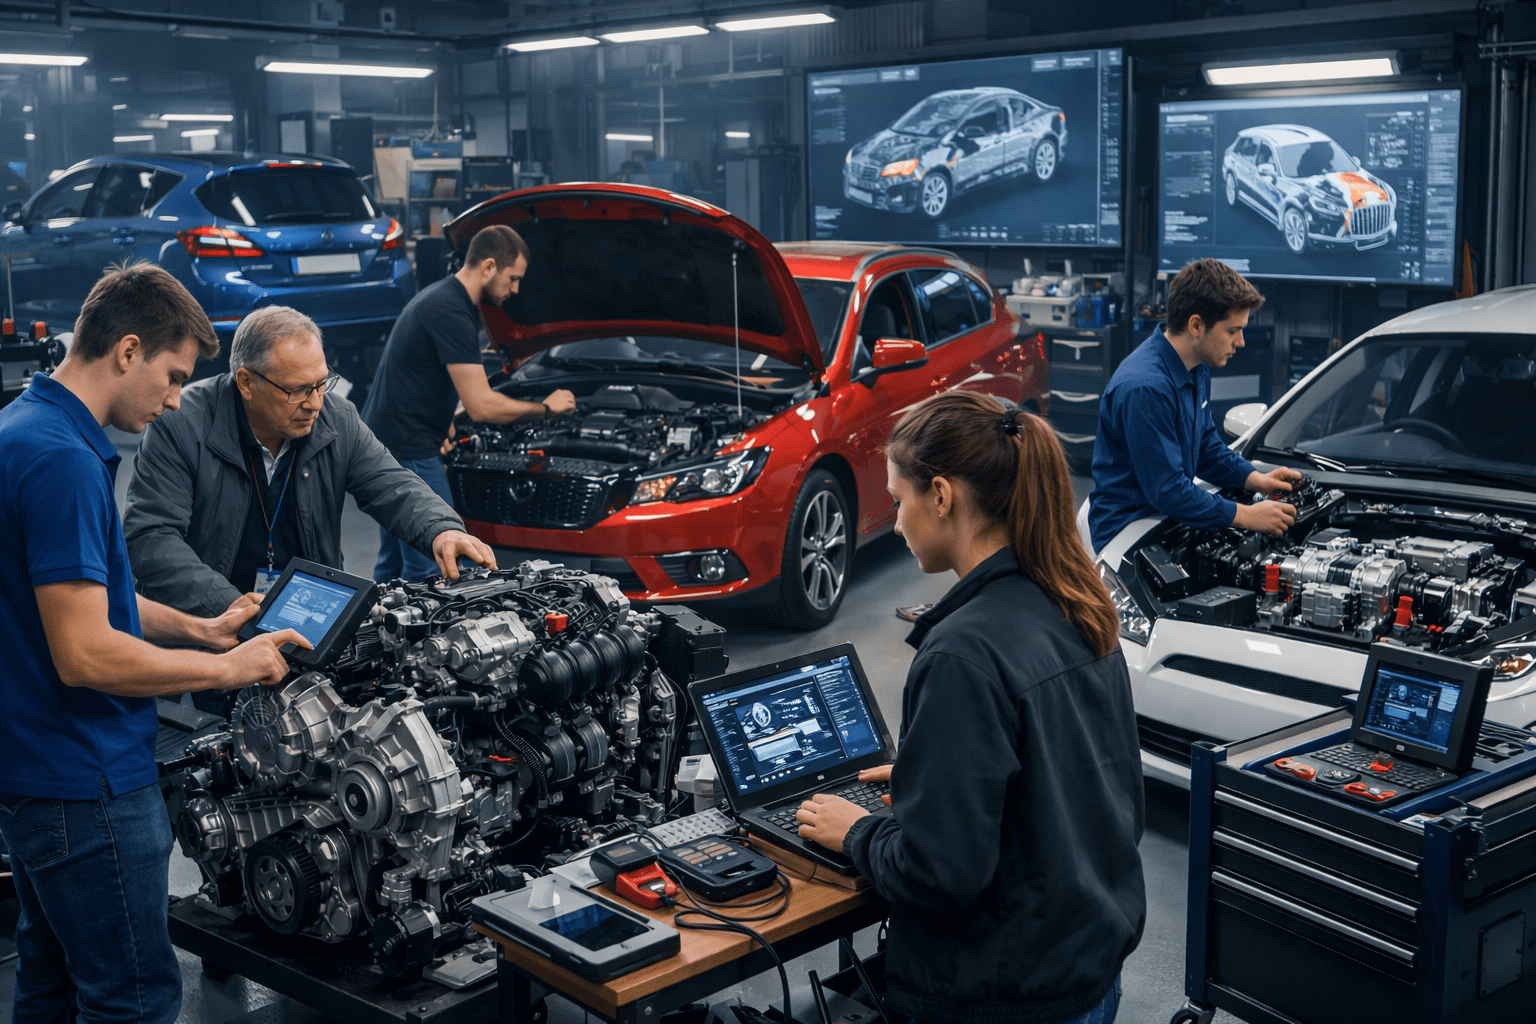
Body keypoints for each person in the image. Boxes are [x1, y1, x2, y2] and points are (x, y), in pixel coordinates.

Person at [0, 262, 309, 1024]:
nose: (175, 401)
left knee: (49, 984)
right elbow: (85, 653)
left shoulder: (21, 427)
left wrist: (201, 626)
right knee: (132, 1001)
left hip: (31, 774)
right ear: (128, 350)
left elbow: (85, 592)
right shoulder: (63, 462)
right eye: (172, 377)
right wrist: (226, 665)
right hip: (90, 784)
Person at [796, 392, 1146, 1024]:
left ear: (941, 495)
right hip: (1087, 972)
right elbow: (1085, 785)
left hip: (1006, 997)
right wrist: (933, 781)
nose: (895, 524)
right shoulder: (1079, 606)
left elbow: (940, 873)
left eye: (898, 500)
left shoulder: (963, 653)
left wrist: (858, 830)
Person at [124, 305, 493, 710]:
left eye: (321, 384)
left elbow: (392, 483)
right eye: (297, 390)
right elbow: (151, 538)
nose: (315, 403)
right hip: (210, 629)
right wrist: (232, 609)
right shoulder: (181, 424)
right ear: (246, 383)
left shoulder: (337, 418)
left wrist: (442, 528)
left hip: (309, 622)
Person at [362, 223, 575, 582]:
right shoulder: (451, 310)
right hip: (410, 448)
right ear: (489, 266)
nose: (515, 289)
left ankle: (377, 615)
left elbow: (423, 371)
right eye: (513, 278)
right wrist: (546, 409)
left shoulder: (440, 296)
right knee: (435, 562)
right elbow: (482, 406)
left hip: (389, 441)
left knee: (394, 564)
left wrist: (442, 419)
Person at [1087, 258, 1302, 553]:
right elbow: (1168, 490)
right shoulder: (1145, 388)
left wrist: (1255, 479)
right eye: (1232, 330)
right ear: (1196, 325)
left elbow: (1204, 447)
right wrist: (1247, 516)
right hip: (1126, 532)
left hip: (1166, 517)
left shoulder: (1195, 368)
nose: (1241, 341)